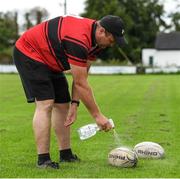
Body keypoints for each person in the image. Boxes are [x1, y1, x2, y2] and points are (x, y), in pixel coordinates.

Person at [13, 14, 126, 169]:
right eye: (112, 40)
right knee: (45, 103)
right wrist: (97, 116)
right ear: (102, 31)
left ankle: (65, 154)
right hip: (30, 53)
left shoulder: (97, 44)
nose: (111, 44)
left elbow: (81, 76)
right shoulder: (78, 39)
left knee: (63, 105)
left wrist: (74, 104)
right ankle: (43, 159)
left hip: (50, 59)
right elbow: (80, 83)